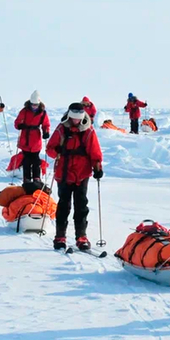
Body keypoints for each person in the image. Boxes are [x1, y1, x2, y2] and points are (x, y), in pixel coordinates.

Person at [45, 102, 103, 251]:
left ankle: (81, 237)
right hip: (63, 173)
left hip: (82, 174)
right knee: (64, 205)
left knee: (81, 205)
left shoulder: (89, 131)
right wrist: (57, 151)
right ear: (69, 116)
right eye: (74, 119)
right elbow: (50, 148)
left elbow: (95, 152)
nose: (76, 121)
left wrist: (97, 168)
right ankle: (60, 237)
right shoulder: (61, 129)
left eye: (78, 119)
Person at [14, 90, 51, 190]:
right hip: (25, 137)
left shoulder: (42, 113)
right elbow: (17, 121)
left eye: (36, 105)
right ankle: (27, 178)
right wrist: (19, 125)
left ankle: (36, 177)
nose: (34, 106)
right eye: (32, 104)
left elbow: (46, 124)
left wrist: (46, 131)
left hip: (36, 138)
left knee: (36, 159)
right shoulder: (24, 111)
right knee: (26, 160)